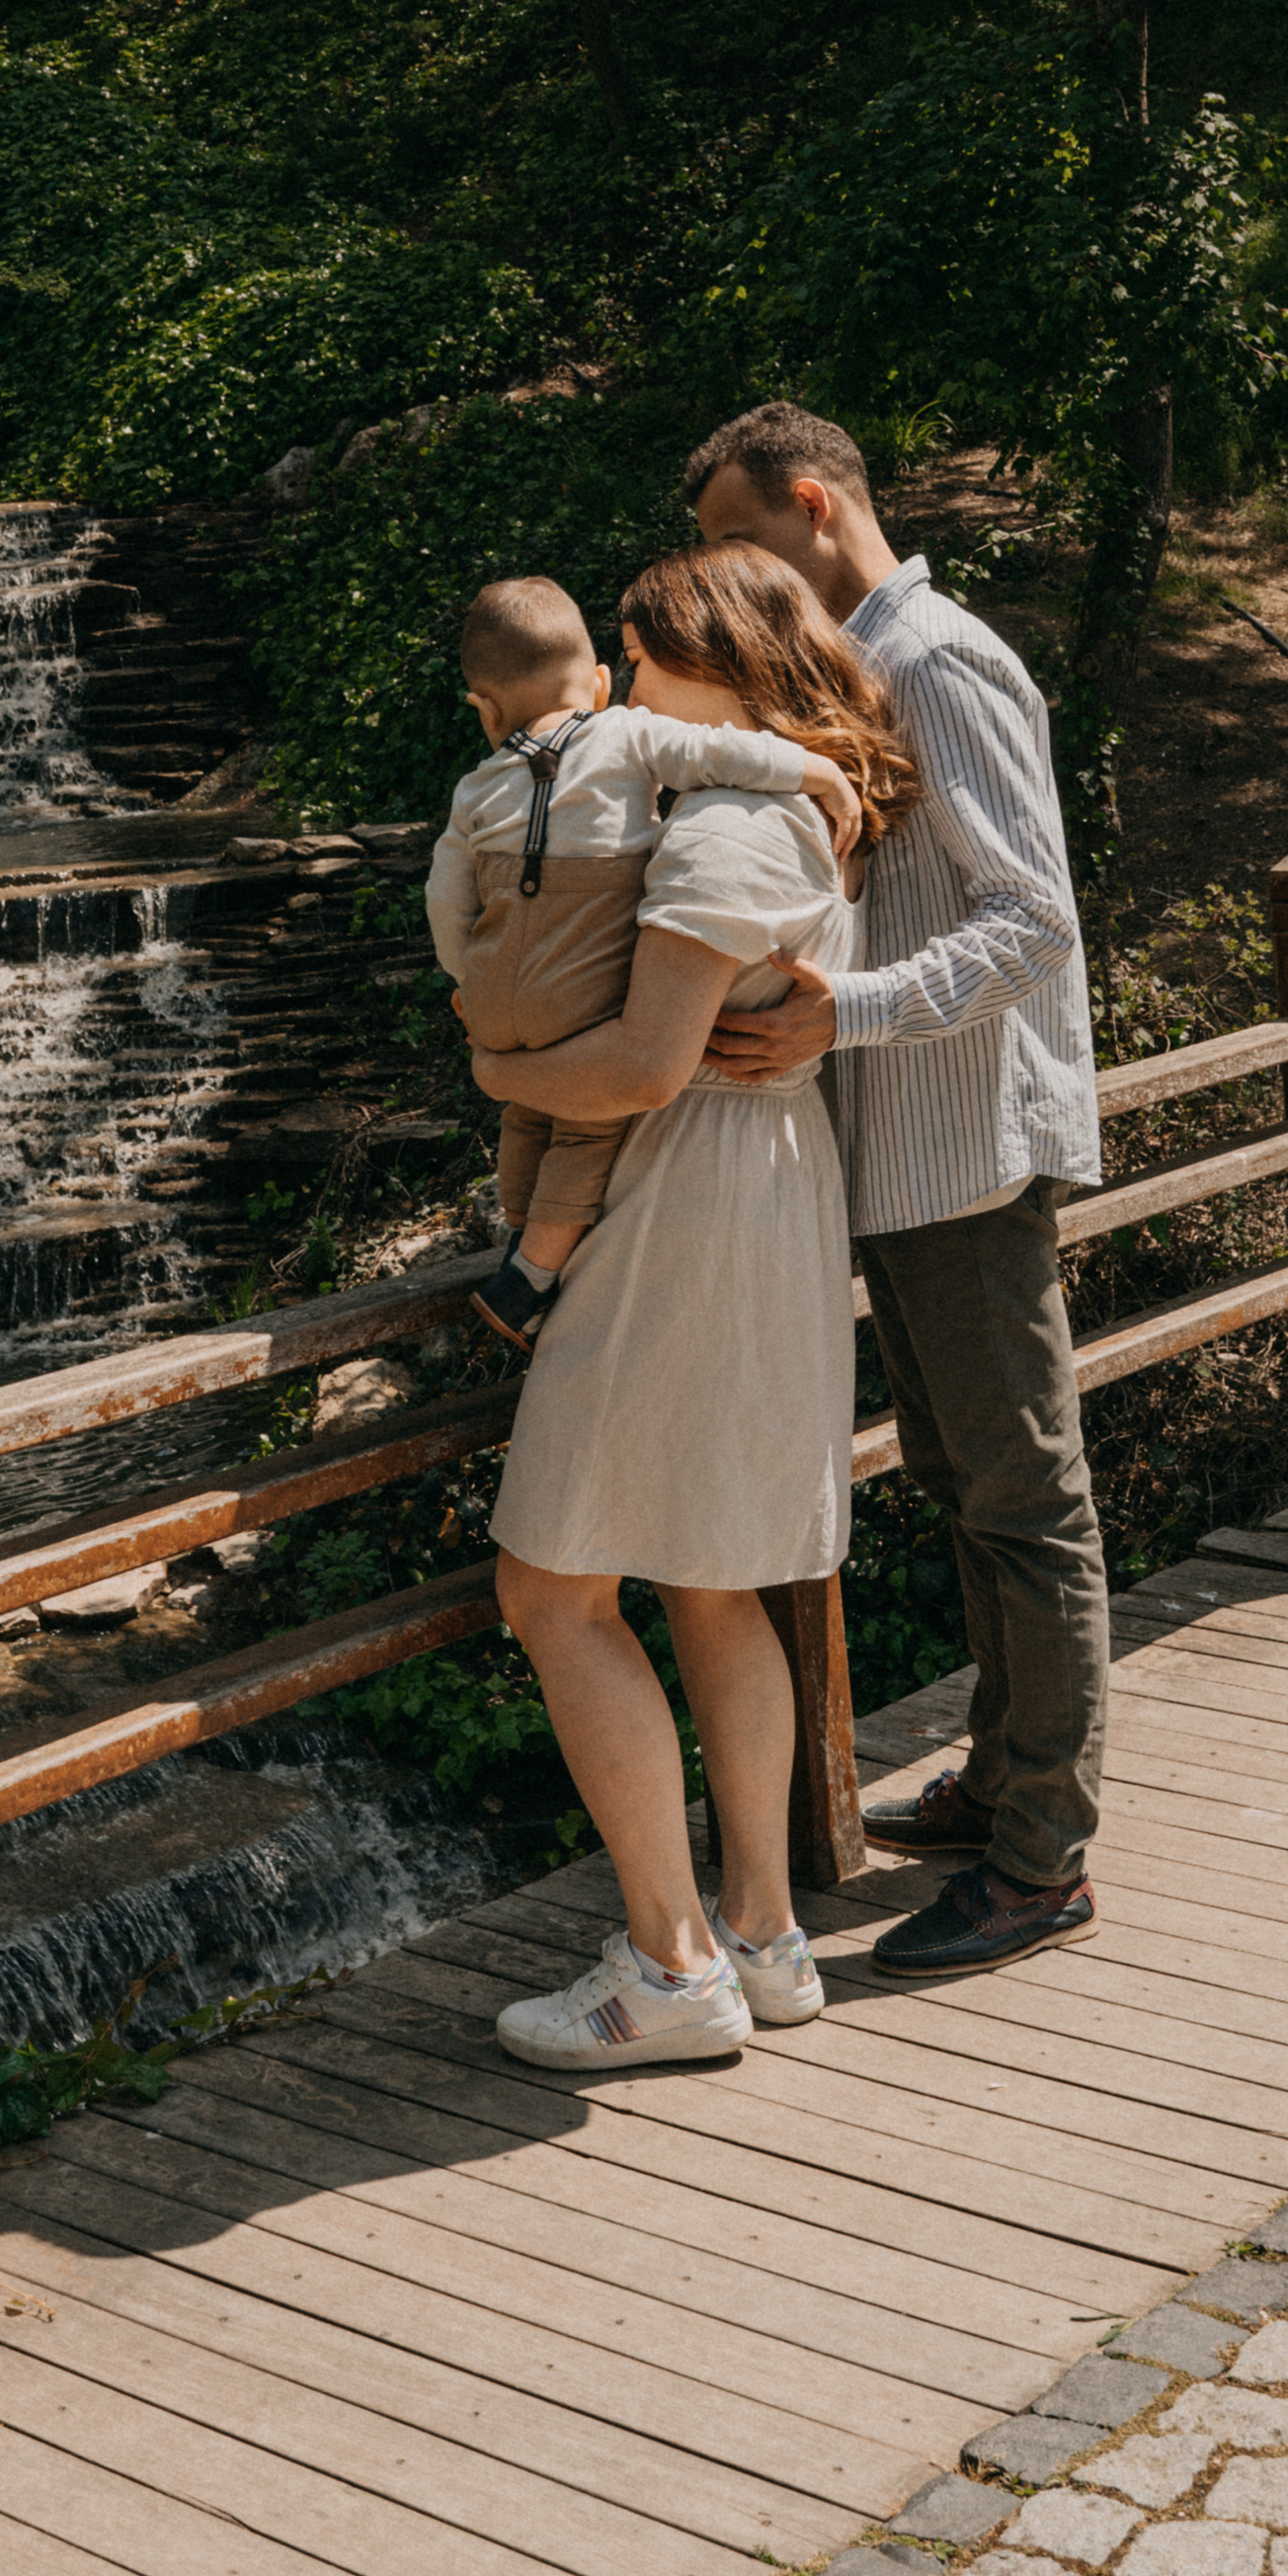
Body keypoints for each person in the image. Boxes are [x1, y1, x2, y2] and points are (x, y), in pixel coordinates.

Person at [468, 541, 921, 2069]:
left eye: (644, 663)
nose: (620, 689)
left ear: (715, 670)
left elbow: (646, 1068)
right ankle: (765, 1934)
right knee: (715, 1577)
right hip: (763, 1185)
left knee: (555, 1587)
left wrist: (499, 1072)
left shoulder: (730, 817)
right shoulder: (784, 794)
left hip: (688, 1198)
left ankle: (670, 1967)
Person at [687, 400, 1109, 1980]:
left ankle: (1042, 1861)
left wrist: (837, 1014)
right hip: (907, 1156)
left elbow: (1034, 923)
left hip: (968, 1148)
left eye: (740, 543)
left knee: (1024, 1496)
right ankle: (1007, 1778)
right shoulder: (865, 669)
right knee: (964, 1482)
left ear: (810, 505)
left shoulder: (936, 659)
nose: (735, 582)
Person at [426, 576, 863, 1351]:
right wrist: (814, 770)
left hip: (497, 990)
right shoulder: (623, 735)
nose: (627, 685)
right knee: (586, 1126)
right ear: (596, 685)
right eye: (619, 667)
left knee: (527, 1111)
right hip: (581, 986)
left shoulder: (473, 786)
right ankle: (533, 1272)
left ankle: (518, 1229)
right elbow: (716, 752)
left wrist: (468, 980)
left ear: (485, 711)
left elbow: (446, 894)